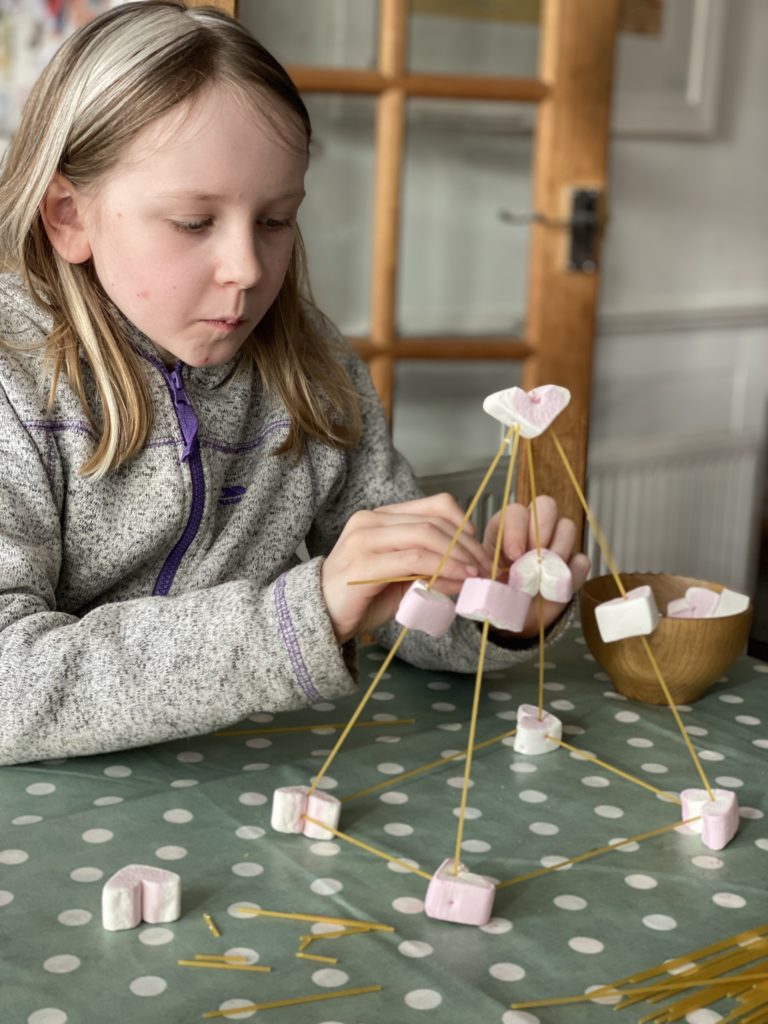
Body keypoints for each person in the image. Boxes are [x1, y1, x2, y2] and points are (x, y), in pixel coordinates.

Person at [0, 1, 588, 767]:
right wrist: (299, 615)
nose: (247, 269)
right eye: (192, 222)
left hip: (252, 786)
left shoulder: (314, 372)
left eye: (276, 221)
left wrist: (498, 610)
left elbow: (396, 611)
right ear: (69, 216)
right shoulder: (14, 384)